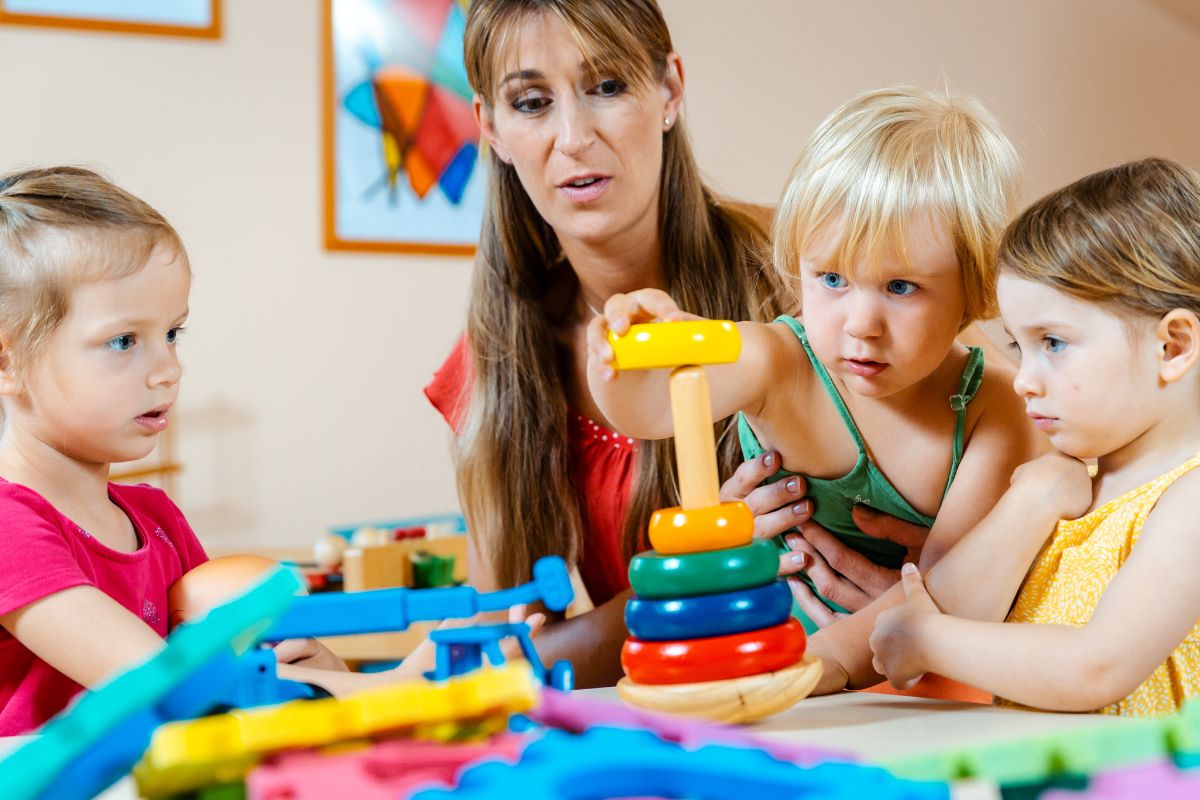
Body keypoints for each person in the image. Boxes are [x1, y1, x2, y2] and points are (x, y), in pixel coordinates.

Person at [587, 86, 1042, 693]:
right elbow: (650, 406)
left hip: (904, 690)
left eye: (901, 287)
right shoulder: (782, 362)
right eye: (831, 278)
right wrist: (624, 350)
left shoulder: (1000, 409)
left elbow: (944, 591)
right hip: (762, 682)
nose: (859, 323)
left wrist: (817, 664)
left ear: (976, 287)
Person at [0, 167, 387, 734]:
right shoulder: (10, 526)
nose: (168, 370)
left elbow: (228, 661)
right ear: (8, 363)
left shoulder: (156, 519)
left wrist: (316, 665)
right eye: (124, 341)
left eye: (173, 333)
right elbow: (164, 685)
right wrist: (367, 689)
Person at [870, 158, 1200, 717]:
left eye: (1054, 342)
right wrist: (1030, 501)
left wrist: (926, 639)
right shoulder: (1066, 481)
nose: (1022, 380)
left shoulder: (1188, 499)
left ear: (1171, 347)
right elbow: (952, 608)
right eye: (1020, 347)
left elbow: (1095, 667)